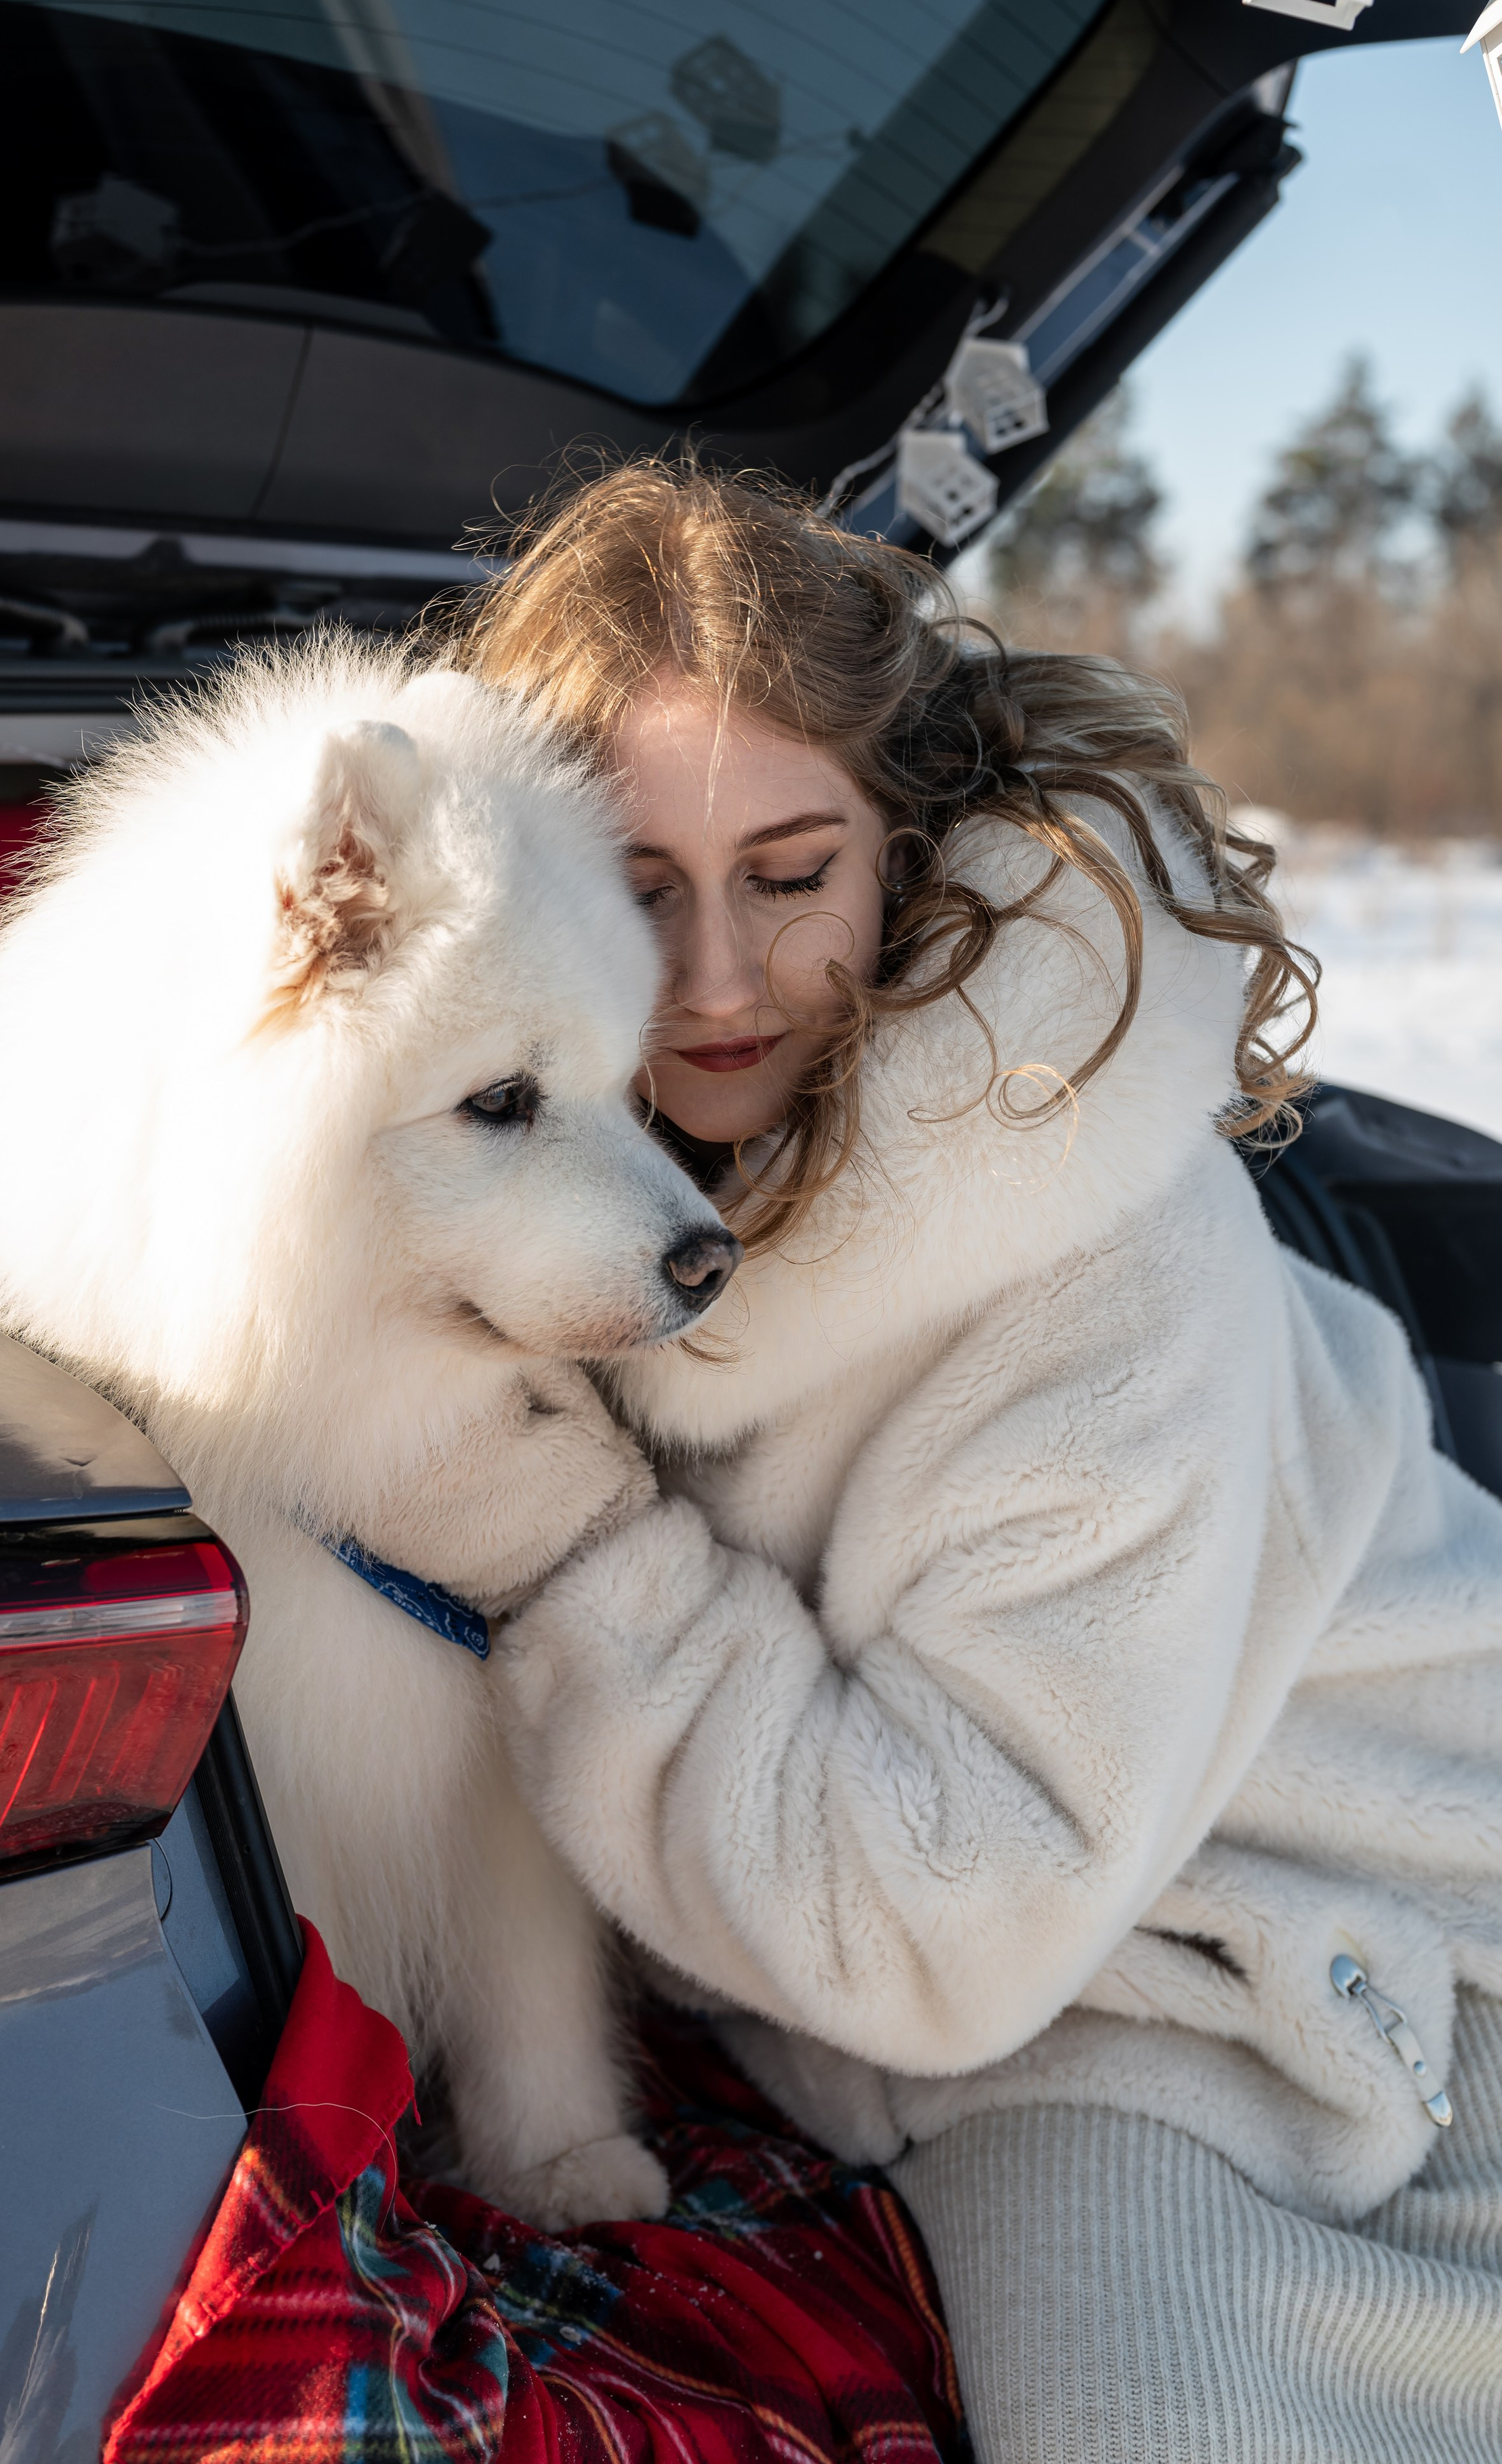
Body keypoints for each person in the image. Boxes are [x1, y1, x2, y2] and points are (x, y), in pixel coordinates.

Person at [453, 457, 1502, 2463]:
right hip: (1035, 1941)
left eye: (790, 871)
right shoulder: (586, 1155)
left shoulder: (1100, 1250)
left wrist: (550, 1533)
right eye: (631, 881)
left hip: (1345, 1934)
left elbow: (944, 1937)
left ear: (905, 849)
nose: (715, 985)